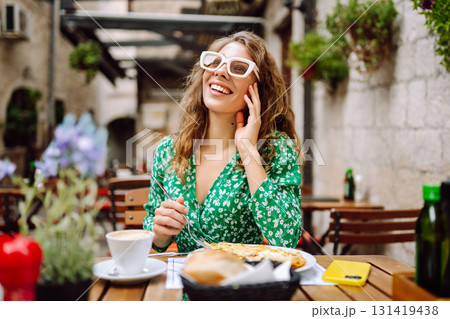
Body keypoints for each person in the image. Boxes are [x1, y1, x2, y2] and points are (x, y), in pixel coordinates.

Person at [143, 31, 302, 253]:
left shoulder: (275, 150)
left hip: (243, 283)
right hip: (186, 281)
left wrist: (248, 152)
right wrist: (159, 233)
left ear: (259, 88)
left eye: (238, 68)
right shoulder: (168, 150)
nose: (220, 71)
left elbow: (286, 238)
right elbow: (155, 234)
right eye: (216, 62)